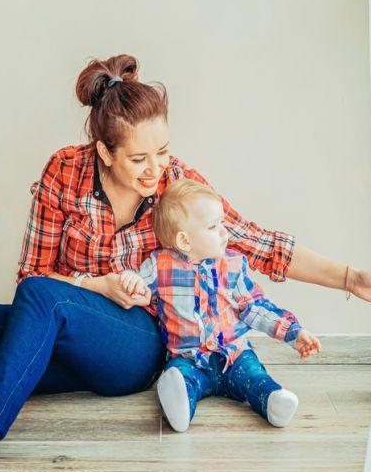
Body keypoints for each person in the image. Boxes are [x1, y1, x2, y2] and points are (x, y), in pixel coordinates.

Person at [0, 54, 371, 472]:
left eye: (162, 151)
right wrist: (100, 284)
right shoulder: (63, 172)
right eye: (139, 158)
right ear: (104, 152)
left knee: (37, 297)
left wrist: (350, 276)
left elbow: (256, 244)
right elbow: (31, 272)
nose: (155, 169)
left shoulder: (175, 184)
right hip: (69, 326)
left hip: (138, 345)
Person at [118, 179, 321, 432]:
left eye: (222, 223)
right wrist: (131, 279)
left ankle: (272, 399)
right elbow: (140, 284)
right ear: (184, 241)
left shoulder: (233, 265)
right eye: (213, 227)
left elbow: (255, 307)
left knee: (253, 375)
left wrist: (293, 332)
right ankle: (179, 405)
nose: (225, 232)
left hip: (233, 354)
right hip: (189, 357)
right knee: (181, 376)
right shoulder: (160, 265)